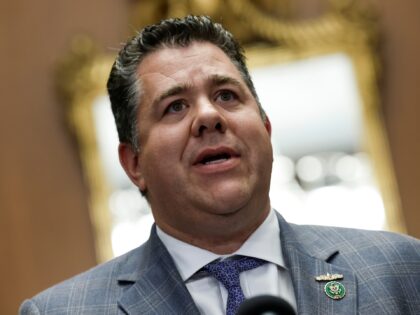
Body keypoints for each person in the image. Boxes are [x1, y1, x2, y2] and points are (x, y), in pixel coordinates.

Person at [20, 15, 420, 315]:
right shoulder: (62, 311)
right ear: (135, 163)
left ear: (264, 128)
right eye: (175, 106)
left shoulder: (399, 270)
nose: (209, 117)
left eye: (227, 96)